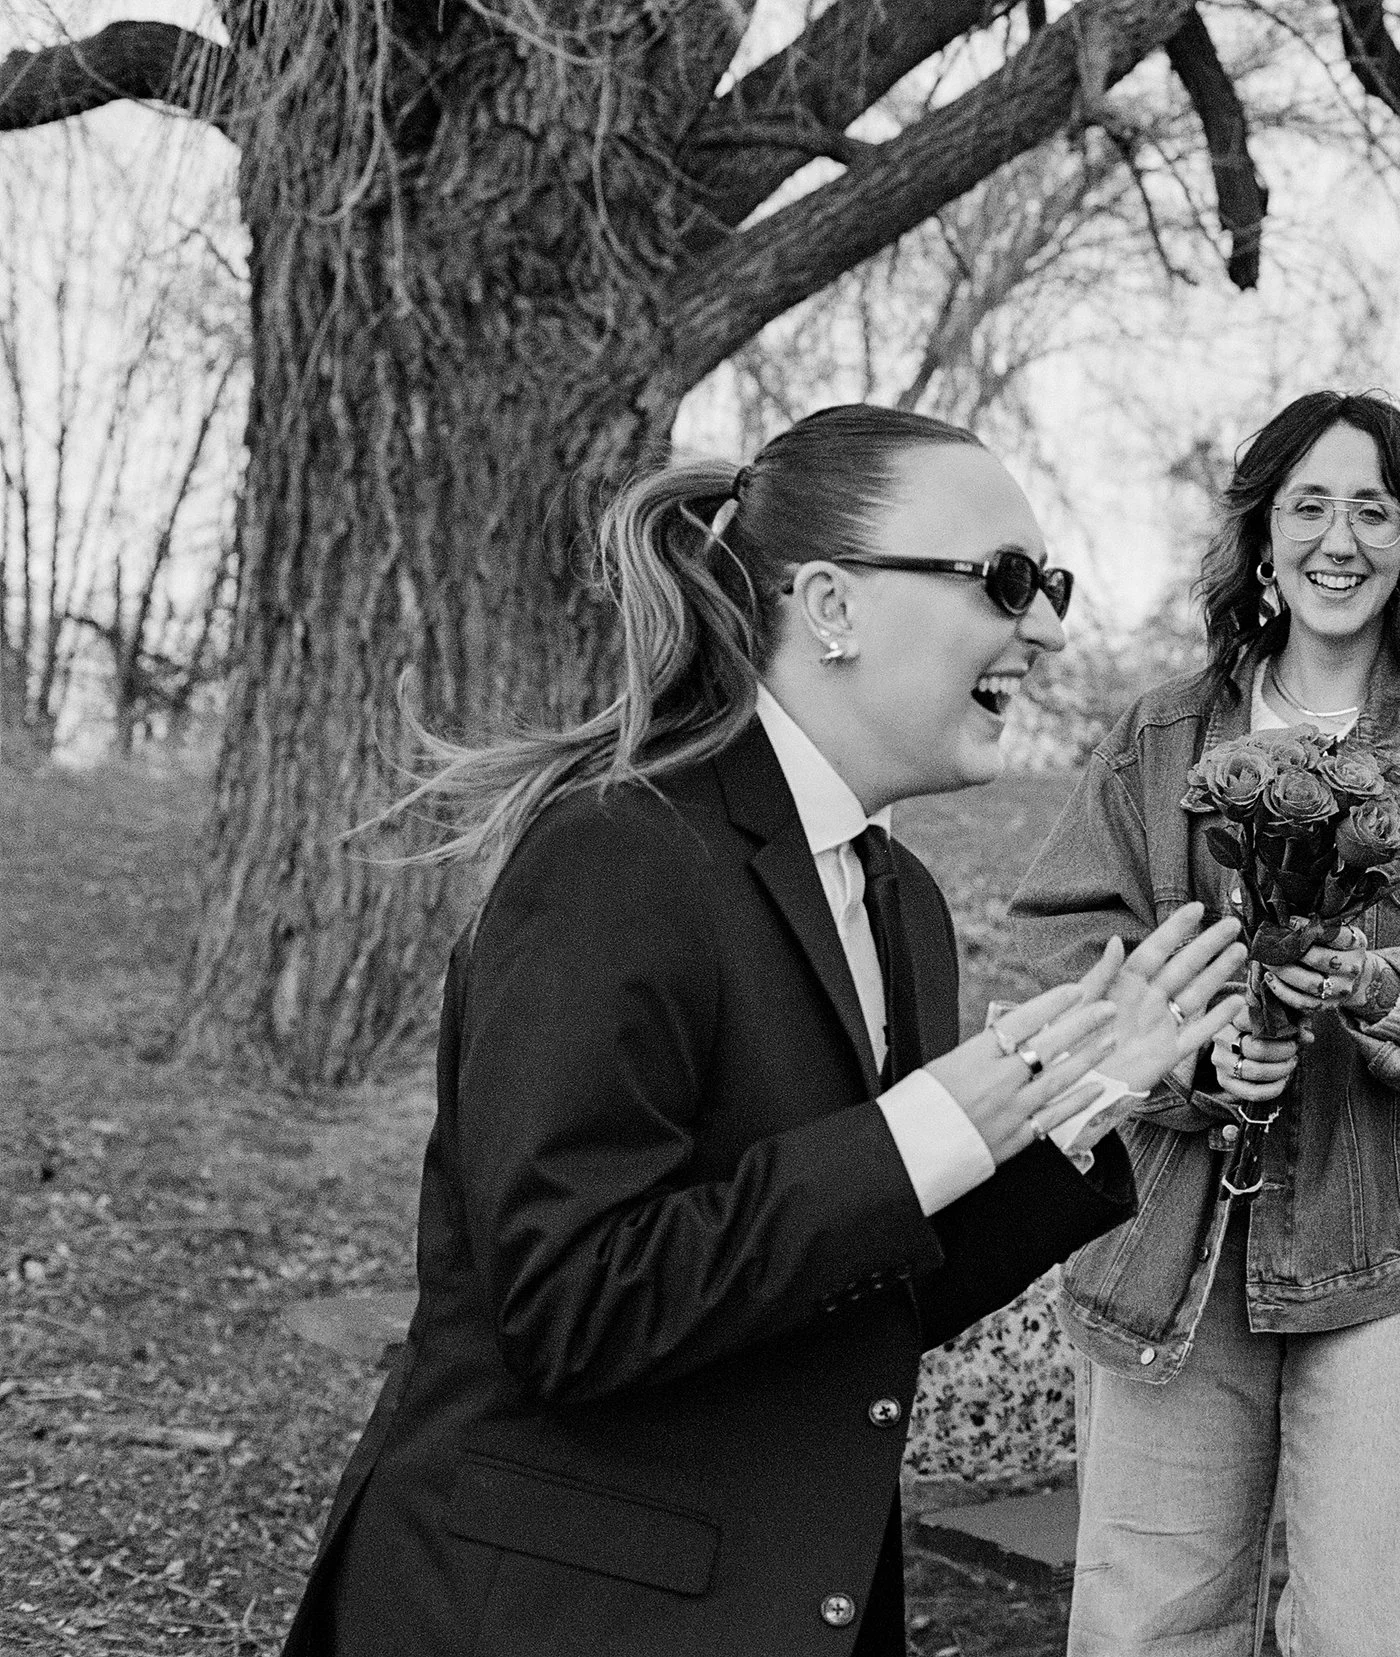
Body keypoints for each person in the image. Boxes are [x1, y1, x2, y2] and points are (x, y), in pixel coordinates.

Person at [279, 404, 1248, 1657]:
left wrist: (1079, 1106)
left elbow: (854, 1283)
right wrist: (933, 1127)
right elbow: (572, 1305)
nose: (1048, 626)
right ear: (832, 607)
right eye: (1005, 580)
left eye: (1049, 582)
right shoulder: (618, 855)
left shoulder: (899, 903)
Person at [1010, 390, 1400, 1655]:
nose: (1339, 539)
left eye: (1372, 509)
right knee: (1145, 1631)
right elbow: (1061, 949)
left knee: (1372, 1627)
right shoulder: (1163, 736)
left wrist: (1396, 993)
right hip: (1173, 1249)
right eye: (1308, 505)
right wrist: (1196, 1052)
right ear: (1261, 535)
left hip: (1398, 1243)